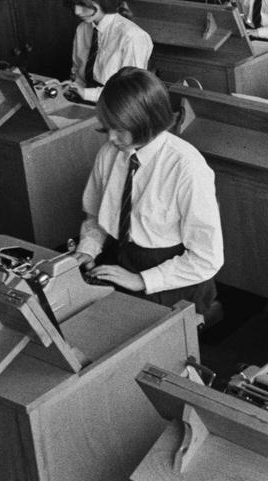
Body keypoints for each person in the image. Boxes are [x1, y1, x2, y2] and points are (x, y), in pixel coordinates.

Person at [74, 67, 224, 315]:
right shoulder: (110, 152)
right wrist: (87, 249)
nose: (111, 137)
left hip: (172, 275)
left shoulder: (186, 166)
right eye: (108, 126)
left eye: (119, 129)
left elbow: (207, 258)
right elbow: (96, 216)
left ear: (146, 122)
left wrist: (142, 280)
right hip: (119, 257)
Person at [65, 0, 153, 102]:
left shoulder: (132, 36)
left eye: (82, 4)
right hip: (85, 102)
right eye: (74, 5)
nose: (77, 11)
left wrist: (87, 94)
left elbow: (131, 93)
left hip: (118, 108)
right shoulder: (82, 29)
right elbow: (78, 74)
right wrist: (72, 88)